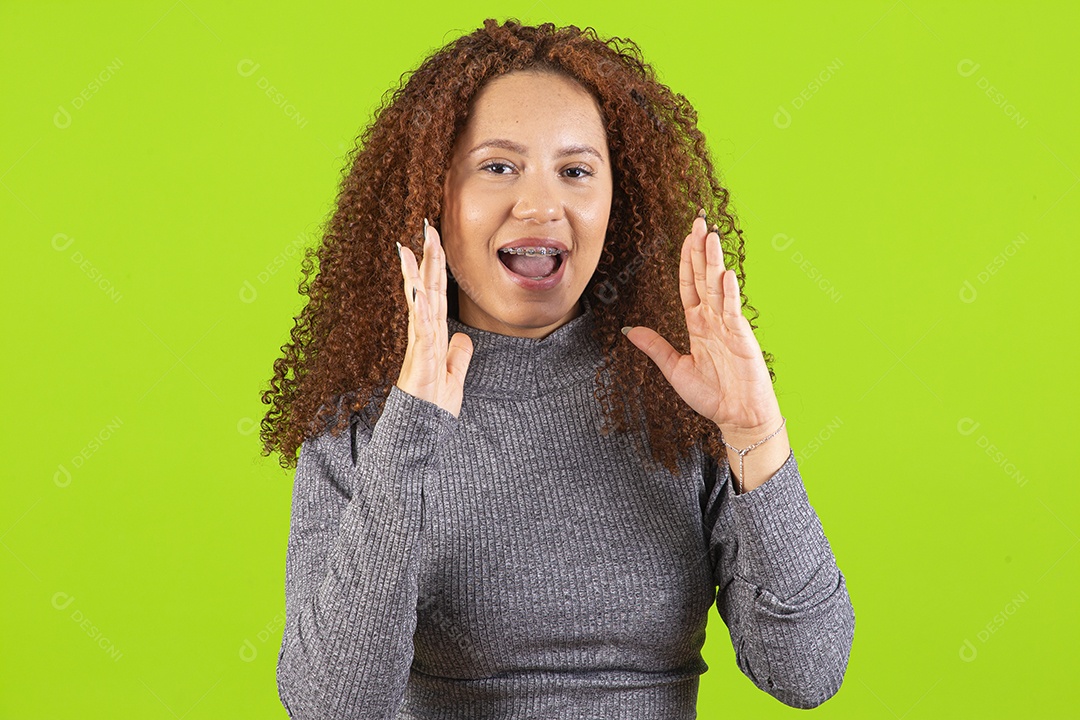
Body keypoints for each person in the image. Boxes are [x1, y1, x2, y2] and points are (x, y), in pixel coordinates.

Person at [260, 18, 854, 719]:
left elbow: (808, 670)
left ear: (617, 203)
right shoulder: (363, 419)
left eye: (576, 172)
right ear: (434, 193)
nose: (541, 205)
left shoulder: (678, 399)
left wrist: (756, 434)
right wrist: (408, 436)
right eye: (498, 166)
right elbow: (330, 706)